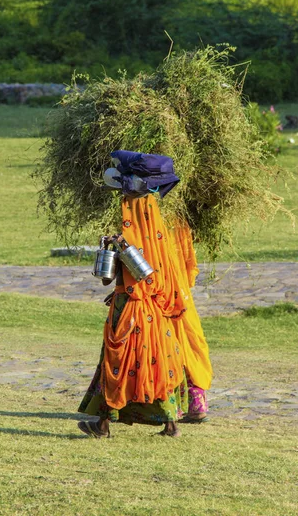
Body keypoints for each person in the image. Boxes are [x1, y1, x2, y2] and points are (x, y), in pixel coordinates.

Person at [78, 150, 212, 438]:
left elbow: (127, 277)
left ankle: (103, 424)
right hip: (154, 311)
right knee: (156, 363)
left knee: (117, 363)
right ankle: (169, 424)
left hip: (132, 310)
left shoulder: (136, 236)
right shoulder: (162, 229)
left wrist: (117, 248)